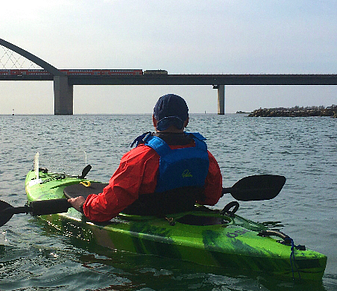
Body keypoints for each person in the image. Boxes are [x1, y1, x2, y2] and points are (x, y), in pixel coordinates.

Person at [68, 93, 223, 222]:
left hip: (144, 218)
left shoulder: (140, 157)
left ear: (154, 120)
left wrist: (82, 205)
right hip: (183, 214)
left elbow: (104, 210)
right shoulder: (205, 156)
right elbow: (211, 198)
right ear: (186, 121)